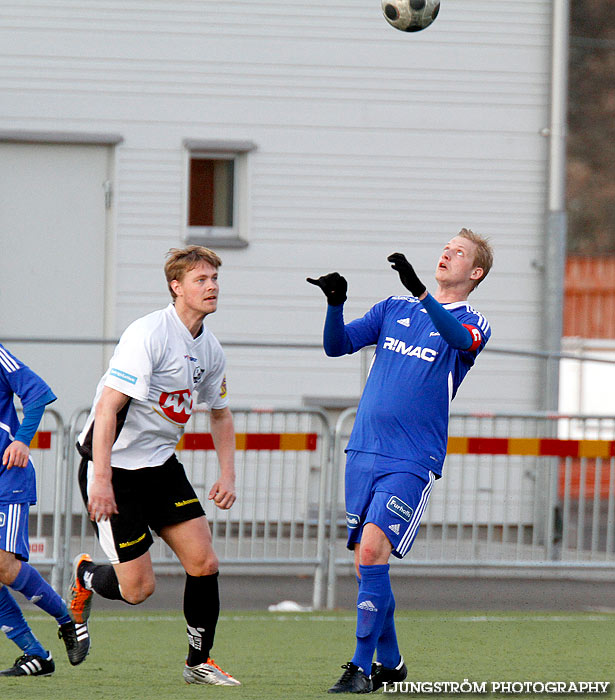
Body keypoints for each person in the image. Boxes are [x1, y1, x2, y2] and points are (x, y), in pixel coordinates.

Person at [307, 229, 493, 693]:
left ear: (475, 273)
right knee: (367, 564)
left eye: (459, 252)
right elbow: (337, 345)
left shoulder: (474, 321)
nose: (446, 253)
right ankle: (391, 663)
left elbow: (457, 338)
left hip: (412, 457)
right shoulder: (394, 308)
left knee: (372, 552)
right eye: (446, 247)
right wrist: (335, 304)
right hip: (364, 448)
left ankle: (360, 668)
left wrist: (424, 294)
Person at [69, 245, 240, 686]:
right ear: (176, 287)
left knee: (204, 562)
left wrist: (228, 473)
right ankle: (87, 575)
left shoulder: (212, 349)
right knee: (138, 590)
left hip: (160, 467)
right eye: (201, 280)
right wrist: (101, 480)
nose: (212, 286)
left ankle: (198, 663)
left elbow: (219, 412)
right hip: (114, 468)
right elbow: (108, 409)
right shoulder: (149, 334)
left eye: (214, 279)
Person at [0, 345, 90, 677]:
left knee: (5, 568)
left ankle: (69, 621)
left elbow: (36, 392)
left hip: (7, 477)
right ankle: (37, 656)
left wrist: (22, 439)